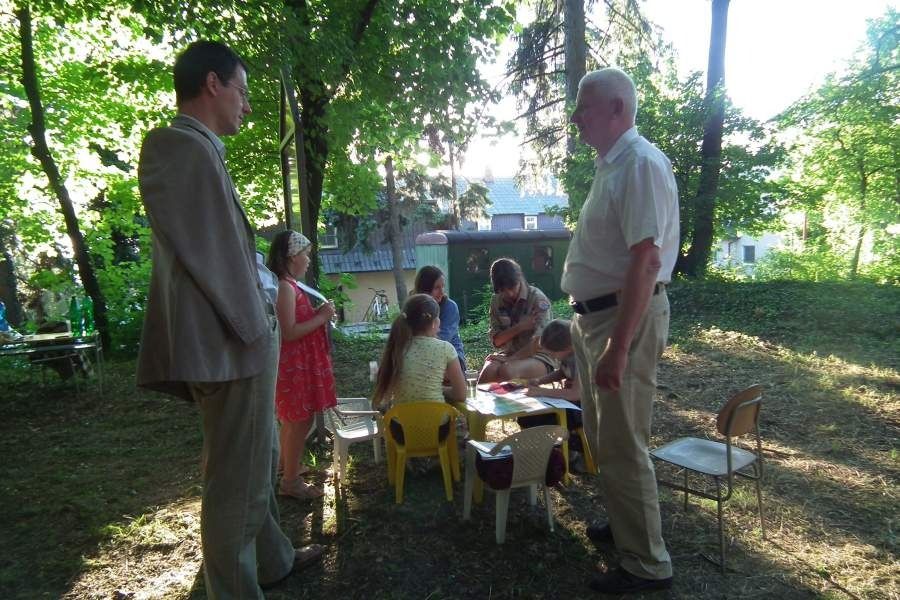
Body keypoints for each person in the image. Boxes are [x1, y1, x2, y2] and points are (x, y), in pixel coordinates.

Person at [136, 40, 321, 598]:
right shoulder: (179, 148)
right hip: (230, 345)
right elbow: (215, 259)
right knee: (235, 481)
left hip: (233, 341)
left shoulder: (197, 150)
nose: (247, 103)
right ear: (212, 84)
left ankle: (273, 560)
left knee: (255, 462)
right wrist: (260, 328)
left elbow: (222, 254)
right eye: (241, 90)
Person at [563, 67, 679, 594]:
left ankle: (646, 564)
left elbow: (647, 261)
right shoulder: (613, 165)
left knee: (623, 443)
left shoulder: (640, 163)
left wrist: (619, 345)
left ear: (617, 109)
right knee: (606, 436)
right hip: (595, 318)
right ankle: (626, 524)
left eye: (584, 106)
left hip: (619, 320)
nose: (576, 116)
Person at [267, 230, 336, 500]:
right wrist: (322, 317)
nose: (308, 260)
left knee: (292, 420)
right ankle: (291, 483)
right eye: (305, 254)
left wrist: (317, 314)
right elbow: (289, 332)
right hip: (293, 367)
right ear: (292, 256)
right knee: (300, 420)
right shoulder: (285, 287)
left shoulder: (290, 285)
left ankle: (287, 466)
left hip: (297, 365)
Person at [372, 294, 467, 408]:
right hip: (436, 418)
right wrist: (439, 389)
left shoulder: (397, 348)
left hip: (401, 419)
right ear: (434, 323)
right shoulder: (446, 348)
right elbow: (461, 394)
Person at [478, 258, 555, 384]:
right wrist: (520, 327)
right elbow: (497, 340)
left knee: (507, 370)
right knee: (488, 372)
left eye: (512, 287)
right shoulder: (496, 300)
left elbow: (538, 342)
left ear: (520, 278)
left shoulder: (537, 299)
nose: (509, 293)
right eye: (503, 290)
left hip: (539, 357)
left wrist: (511, 359)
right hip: (509, 353)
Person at [413, 265, 467, 372]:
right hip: (422, 357)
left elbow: (441, 341)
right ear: (425, 289)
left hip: (452, 358)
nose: (442, 292)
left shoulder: (449, 307)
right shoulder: (414, 306)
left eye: (443, 286)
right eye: (437, 288)